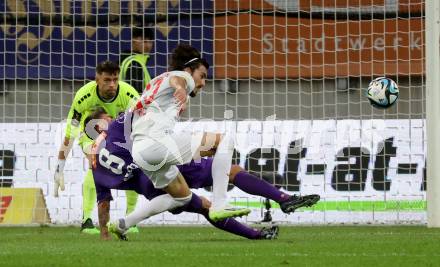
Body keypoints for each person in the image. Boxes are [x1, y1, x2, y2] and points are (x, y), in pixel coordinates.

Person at [86, 109, 319, 240]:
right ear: (98, 126)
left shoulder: (95, 163)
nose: (110, 118)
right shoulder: (117, 126)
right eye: (104, 118)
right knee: (216, 191)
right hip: (162, 162)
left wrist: (104, 232)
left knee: (223, 181)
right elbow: (142, 114)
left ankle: (273, 214)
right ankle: (274, 211)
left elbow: (103, 202)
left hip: (153, 181)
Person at [127, 43, 251, 226]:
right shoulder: (182, 76)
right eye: (202, 76)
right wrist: (181, 88)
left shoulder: (155, 82)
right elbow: (179, 80)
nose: (203, 83)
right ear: (188, 69)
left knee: (181, 197)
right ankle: (219, 204)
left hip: (139, 151)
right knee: (224, 141)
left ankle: (124, 224)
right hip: (156, 143)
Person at [53, 61, 141, 234]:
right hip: (91, 133)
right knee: (98, 164)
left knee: (132, 167)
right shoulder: (83, 96)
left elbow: (143, 123)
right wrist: (59, 169)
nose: (112, 85)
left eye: (115, 80)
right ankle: (86, 220)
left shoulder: (129, 94)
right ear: (97, 79)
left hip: (120, 133)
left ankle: (131, 219)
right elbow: (70, 134)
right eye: (107, 80)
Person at [120, 27, 154, 94]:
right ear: (133, 41)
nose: (148, 45)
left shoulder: (127, 60)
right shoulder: (134, 63)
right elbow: (135, 94)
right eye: (144, 41)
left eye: (150, 41)